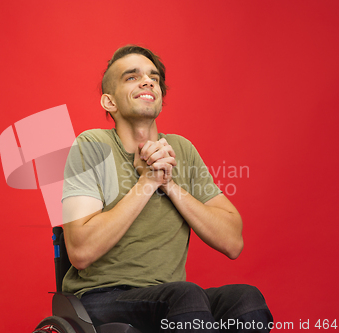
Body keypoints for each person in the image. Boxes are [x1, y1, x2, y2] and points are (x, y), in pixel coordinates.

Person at [60, 45, 273, 332]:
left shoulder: (182, 150)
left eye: (154, 78)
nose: (148, 81)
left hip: (170, 298)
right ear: (109, 102)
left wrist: (168, 183)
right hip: (102, 296)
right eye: (132, 77)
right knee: (185, 295)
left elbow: (233, 242)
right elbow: (81, 251)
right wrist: (146, 183)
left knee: (246, 299)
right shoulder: (92, 145)